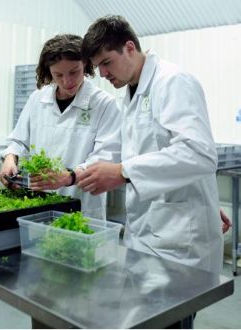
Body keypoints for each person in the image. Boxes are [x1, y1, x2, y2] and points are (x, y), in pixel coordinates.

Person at [77, 15, 224, 275]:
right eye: (98, 67)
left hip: (180, 241)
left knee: (174, 315)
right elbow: (127, 149)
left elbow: (200, 154)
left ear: (130, 48)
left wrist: (123, 172)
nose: (103, 74)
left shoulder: (172, 82)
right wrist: (72, 175)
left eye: (107, 63)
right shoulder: (131, 94)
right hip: (146, 233)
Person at [0, 34, 122, 218]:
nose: (67, 81)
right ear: (49, 72)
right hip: (38, 202)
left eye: (74, 72)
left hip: (82, 205)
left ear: (86, 65)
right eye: (58, 75)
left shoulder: (104, 104)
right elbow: (19, 140)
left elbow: (106, 157)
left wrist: (70, 176)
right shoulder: (37, 99)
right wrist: (10, 158)